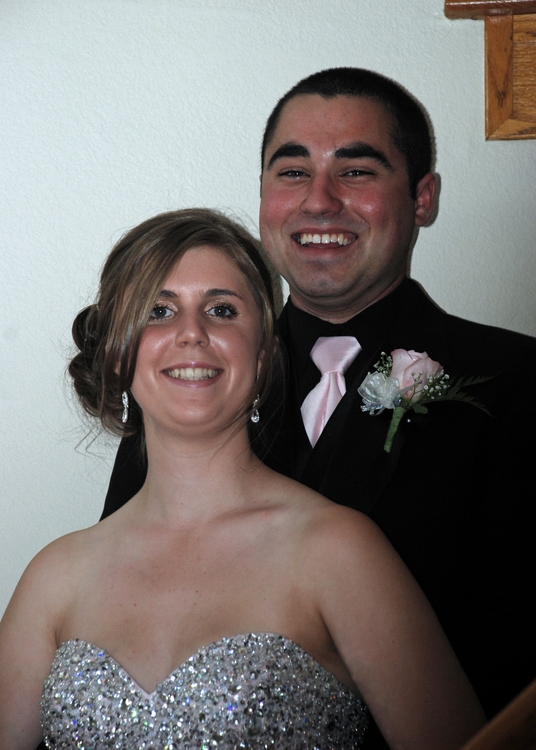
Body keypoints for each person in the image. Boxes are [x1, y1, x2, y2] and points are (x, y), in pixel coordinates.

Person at [102, 67, 536, 744]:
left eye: (357, 172)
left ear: (422, 198)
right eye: (293, 172)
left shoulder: (516, 384)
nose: (320, 201)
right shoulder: (187, 380)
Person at [0, 209, 484, 748]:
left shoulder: (338, 551)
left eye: (221, 309)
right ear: (117, 355)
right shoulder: (54, 576)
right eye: (159, 310)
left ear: (263, 357)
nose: (191, 333)